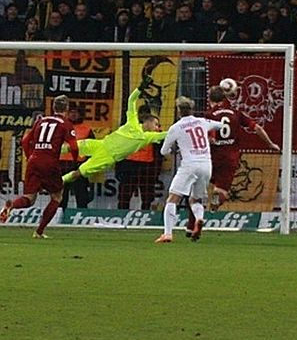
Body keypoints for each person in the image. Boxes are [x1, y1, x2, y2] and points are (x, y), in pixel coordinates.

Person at [0, 95, 79, 238]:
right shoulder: (65, 124)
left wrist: (29, 157)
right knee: (56, 196)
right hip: (50, 162)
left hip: (34, 161)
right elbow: (73, 146)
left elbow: (24, 141)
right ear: (66, 109)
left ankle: (12, 205)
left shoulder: (40, 121)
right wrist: (75, 161)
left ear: (53, 107)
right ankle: (39, 231)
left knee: (29, 198)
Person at [62, 84, 168, 186]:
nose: (157, 128)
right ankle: (47, 153)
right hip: (101, 144)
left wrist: (183, 125)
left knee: (79, 172)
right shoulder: (132, 122)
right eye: (156, 124)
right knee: (70, 146)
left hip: (107, 157)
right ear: (147, 122)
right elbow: (131, 100)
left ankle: (60, 181)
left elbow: (168, 133)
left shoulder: (148, 137)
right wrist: (140, 88)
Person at [156, 96, 223, 244]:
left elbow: (163, 151)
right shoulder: (202, 122)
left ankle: (167, 234)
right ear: (192, 109)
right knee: (195, 199)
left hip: (189, 165)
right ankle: (199, 219)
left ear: (178, 111)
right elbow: (220, 125)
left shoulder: (176, 128)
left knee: (172, 198)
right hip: (206, 165)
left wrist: (175, 148)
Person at [206, 84, 279, 209]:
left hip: (211, 157)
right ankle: (211, 210)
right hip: (229, 158)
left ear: (209, 99)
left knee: (201, 183)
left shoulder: (208, 114)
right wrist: (270, 144)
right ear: (224, 99)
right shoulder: (236, 113)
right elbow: (257, 128)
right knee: (220, 190)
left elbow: (209, 138)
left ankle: (197, 208)